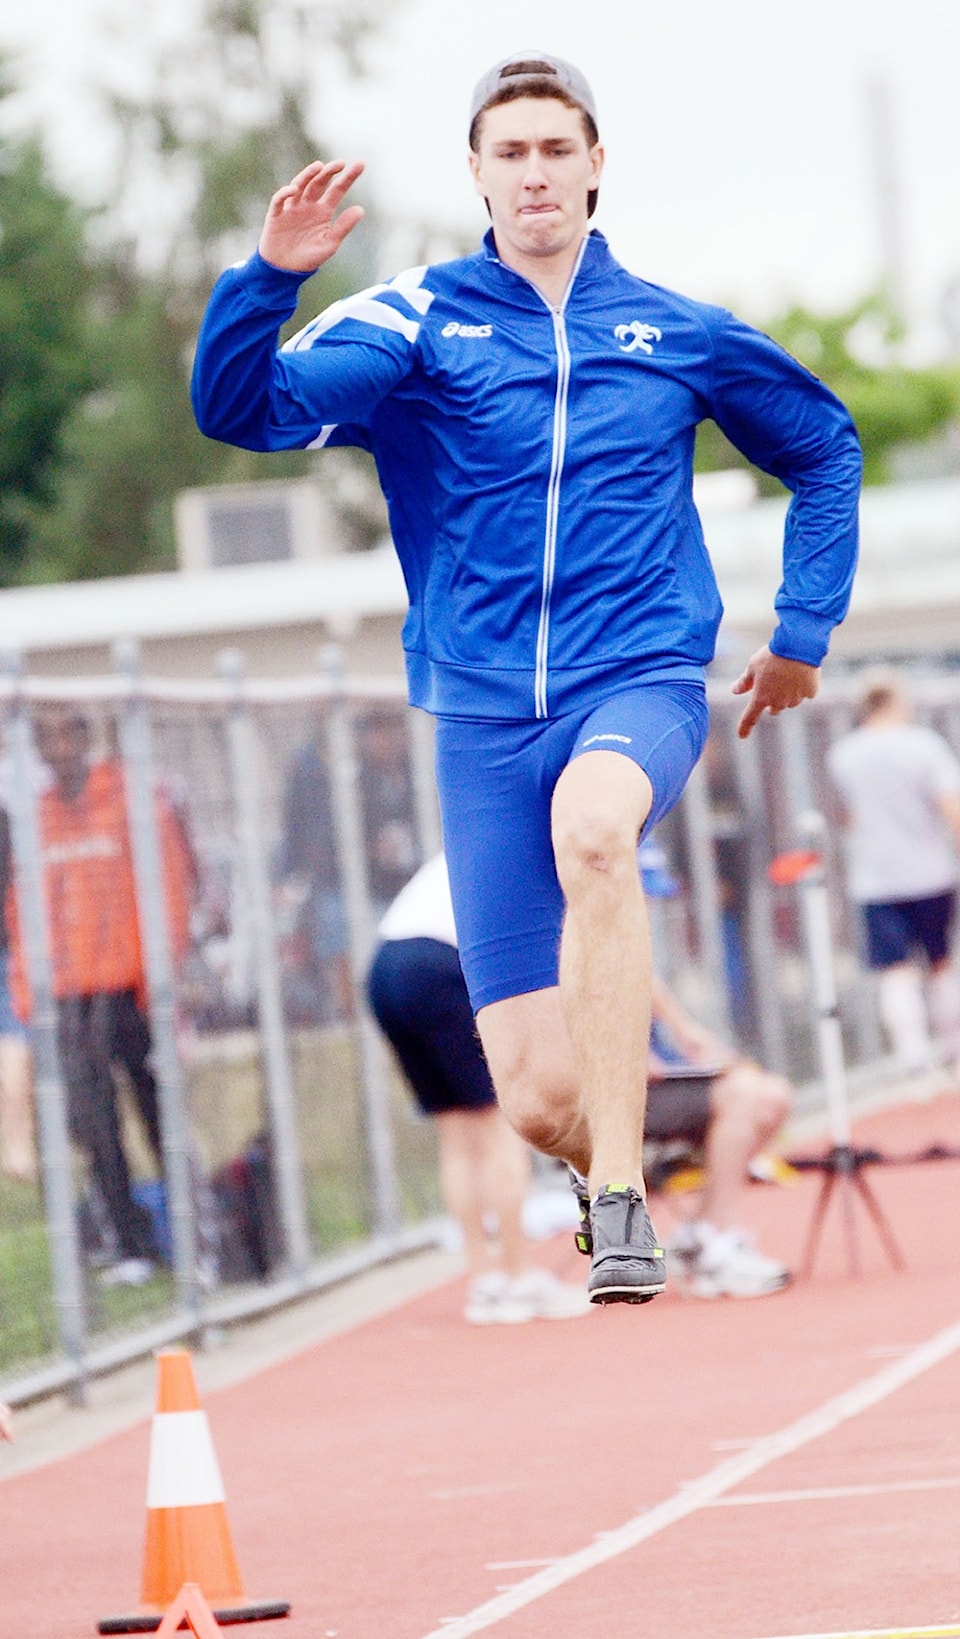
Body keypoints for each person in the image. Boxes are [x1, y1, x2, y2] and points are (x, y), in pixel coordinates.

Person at [192, 52, 861, 1304]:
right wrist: (269, 277)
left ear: (597, 164)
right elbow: (244, 409)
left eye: (560, 148)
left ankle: (620, 1200)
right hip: (485, 713)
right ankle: (596, 1151)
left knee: (599, 834)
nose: (538, 171)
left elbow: (825, 447)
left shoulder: (675, 333)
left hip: (642, 677)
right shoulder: (415, 323)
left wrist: (802, 633)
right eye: (514, 151)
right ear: (479, 173)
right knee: (534, 1096)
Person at [6, 708, 195, 1285]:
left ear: (87, 738)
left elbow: (168, 886)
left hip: (129, 989)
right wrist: (28, 991)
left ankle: (191, 1232)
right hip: (68, 993)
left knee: (156, 1108)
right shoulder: (35, 818)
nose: (59, 747)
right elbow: (22, 910)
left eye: (68, 733)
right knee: (94, 1124)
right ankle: (131, 1244)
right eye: (46, 736)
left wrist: (158, 975)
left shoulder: (130, 801)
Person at [367, 853, 590, 1324]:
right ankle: (519, 1277)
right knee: (498, 1127)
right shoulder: (548, 846)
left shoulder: (484, 827)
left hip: (385, 968)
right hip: (439, 966)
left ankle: (486, 1280)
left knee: (457, 1133)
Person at [827, 671, 960, 1073]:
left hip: (876, 879)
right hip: (930, 871)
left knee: (894, 971)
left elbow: (846, 816)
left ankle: (912, 1056)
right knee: (939, 962)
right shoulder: (924, 746)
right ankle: (951, 1047)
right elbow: (949, 804)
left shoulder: (844, 754)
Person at [641, 977, 792, 1297]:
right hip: (614, 1092)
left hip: (660, 1072)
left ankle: (699, 1236)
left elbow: (640, 970)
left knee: (775, 1095)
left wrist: (683, 1028)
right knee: (742, 1094)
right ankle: (720, 1242)